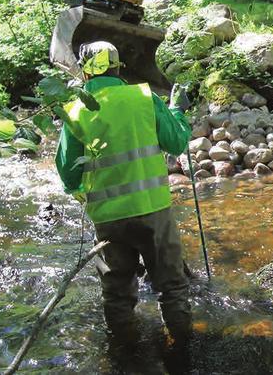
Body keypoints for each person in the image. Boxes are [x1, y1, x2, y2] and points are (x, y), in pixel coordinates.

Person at [55, 40, 193, 355]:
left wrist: (83, 195)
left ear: (84, 72)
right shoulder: (144, 97)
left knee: (116, 294)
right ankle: (181, 352)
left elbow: (67, 172)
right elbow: (176, 142)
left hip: (107, 219)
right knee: (171, 287)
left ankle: (127, 355)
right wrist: (178, 111)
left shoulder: (76, 110)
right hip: (153, 210)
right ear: (118, 68)